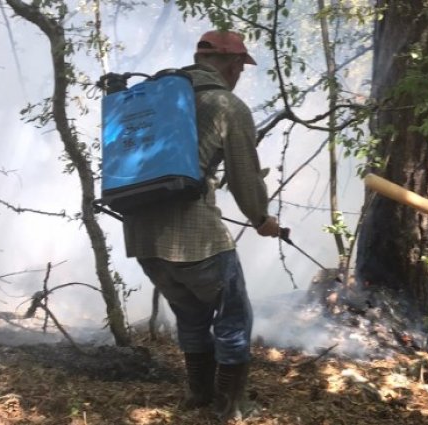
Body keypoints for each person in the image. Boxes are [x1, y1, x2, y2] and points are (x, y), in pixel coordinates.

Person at [123, 30, 281, 421]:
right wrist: (262, 219)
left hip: (143, 240)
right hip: (197, 242)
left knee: (191, 315)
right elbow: (245, 178)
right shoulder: (225, 104)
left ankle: (198, 394)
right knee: (233, 317)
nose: (240, 74)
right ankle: (231, 406)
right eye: (240, 67)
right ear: (231, 65)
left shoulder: (155, 100)